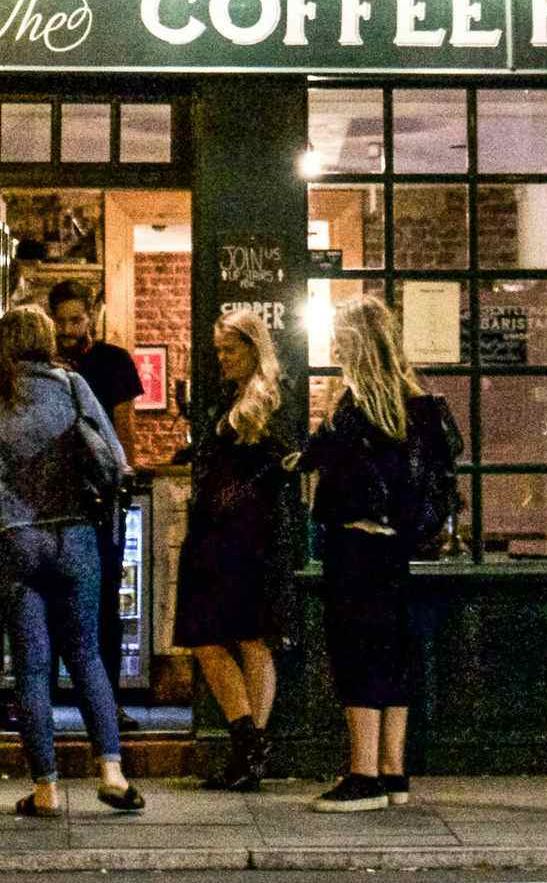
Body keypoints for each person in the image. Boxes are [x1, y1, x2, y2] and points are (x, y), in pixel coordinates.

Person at [0, 305, 144, 817]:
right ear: (47, 340)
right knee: (86, 654)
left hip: (14, 539)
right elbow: (113, 457)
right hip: (74, 534)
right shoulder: (72, 387)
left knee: (32, 667)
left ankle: (45, 789)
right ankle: (111, 771)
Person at [288, 295, 424, 813]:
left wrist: (314, 439)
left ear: (357, 341)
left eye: (341, 337)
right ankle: (394, 772)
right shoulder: (410, 397)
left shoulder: (357, 401)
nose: (334, 345)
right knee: (393, 654)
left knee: (356, 652)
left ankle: (363, 774)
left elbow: (319, 457)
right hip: (395, 548)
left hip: (355, 544)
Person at [173, 310, 296, 792]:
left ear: (254, 347)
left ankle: (250, 746)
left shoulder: (269, 399)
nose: (221, 358)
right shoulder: (228, 398)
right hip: (213, 534)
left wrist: (238, 494)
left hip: (250, 537)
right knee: (205, 638)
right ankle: (249, 740)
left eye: (231, 349)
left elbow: (284, 463)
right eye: (219, 350)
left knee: (251, 638)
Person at [48, 280, 143, 730]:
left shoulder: (113, 362)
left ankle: (108, 706)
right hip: (55, 497)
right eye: (61, 321)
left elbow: (125, 427)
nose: (69, 330)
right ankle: (45, 701)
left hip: (102, 497)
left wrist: (123, 478)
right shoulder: (44, 366)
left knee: (105, 599)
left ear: (91, 318)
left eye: (76, 320)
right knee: (51, 599)